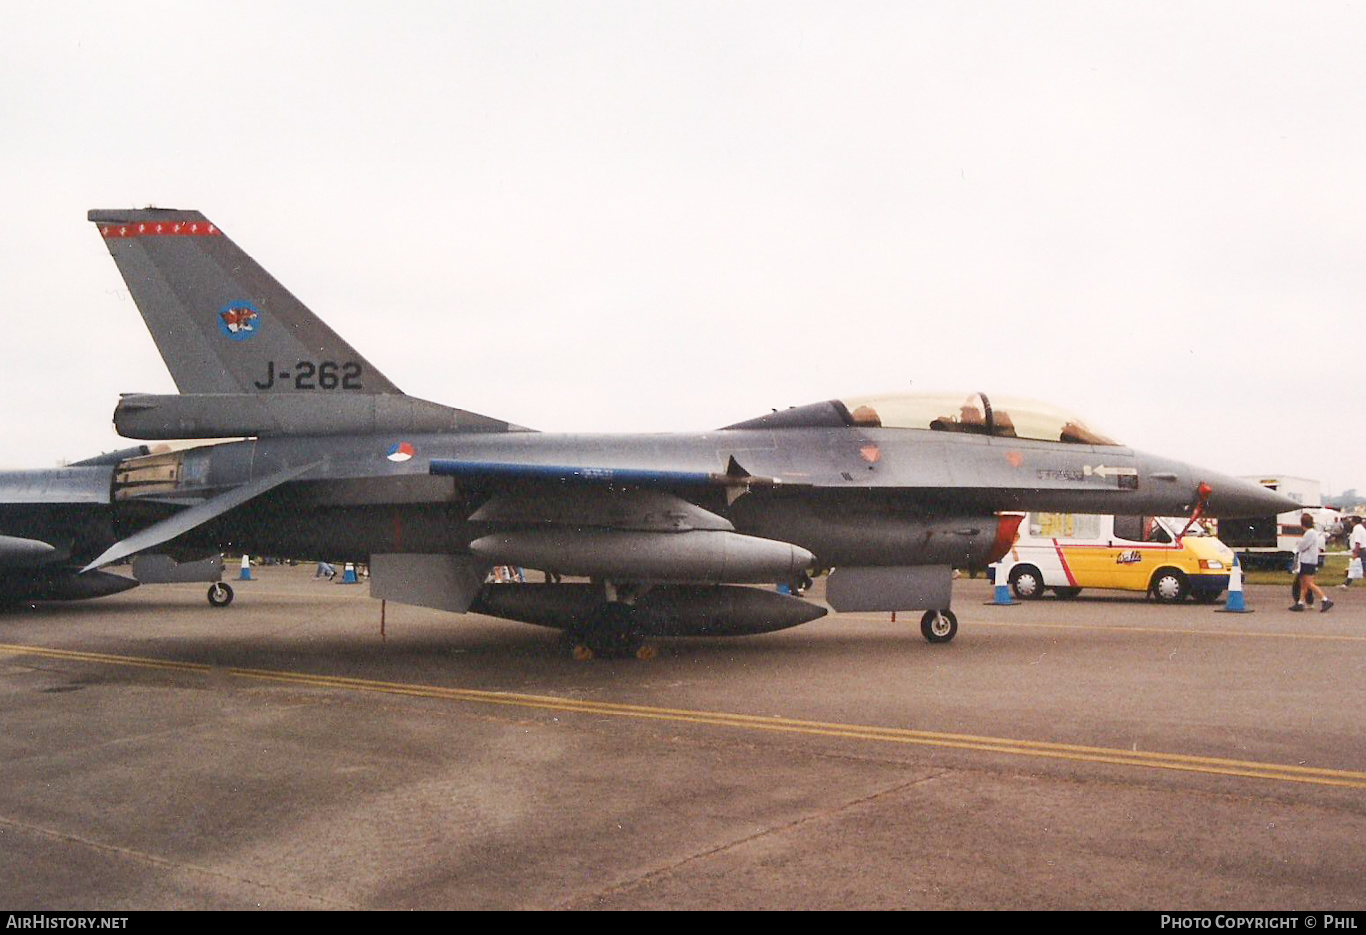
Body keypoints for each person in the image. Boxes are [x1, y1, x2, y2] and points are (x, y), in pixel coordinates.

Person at [1290, 513, 1332, 612]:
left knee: (1309, 583)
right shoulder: (1313, 533)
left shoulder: (1309, 533)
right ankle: (1300, 603)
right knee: (1304, 584)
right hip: (1310, 561)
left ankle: (1325, 600)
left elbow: (1302, 546)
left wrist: (1297, 545)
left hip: (1307, 561)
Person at [1342, 516, 1366, 588]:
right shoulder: (1361, 528)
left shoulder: (1357, 528)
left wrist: (1356, 552)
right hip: (1362, 549)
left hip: (1361, 550)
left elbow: (1358, 542)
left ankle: (1347, 583)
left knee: (1360, 567)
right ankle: (1347, 583)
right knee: (1355, 566)